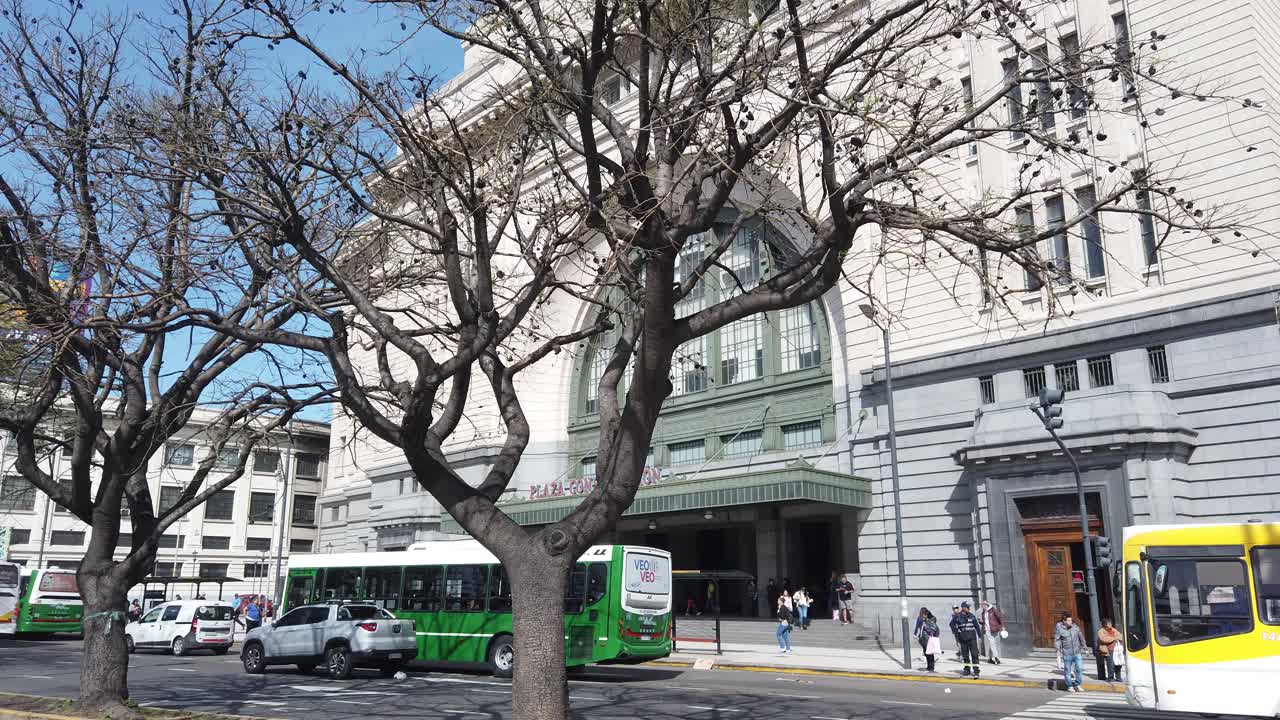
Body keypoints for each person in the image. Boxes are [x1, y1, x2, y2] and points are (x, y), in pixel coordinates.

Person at [1055, 612, 1087, 692]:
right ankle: (1069, 686)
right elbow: (1057, 640)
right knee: (1067, 670)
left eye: (1071, 620)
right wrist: (1058, 651)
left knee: (1079, 669)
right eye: (1069, 621)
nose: (1071, 622)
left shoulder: (1075, 627)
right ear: (1064, 621)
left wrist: (1085, 648)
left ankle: (1077, 684)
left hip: (1077, 652)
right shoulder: (1060, 629)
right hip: (1067, 653)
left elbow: (1081, 638)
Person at [950, 601, 981, 678]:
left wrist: (979, 636)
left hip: (972, 639)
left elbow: (976, 626)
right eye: (967, 607)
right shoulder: (957, 616)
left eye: (968, 607)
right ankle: (967, 670)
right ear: (963, 608)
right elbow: (951, 624)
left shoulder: (972, 616)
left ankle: (976, 671)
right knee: (965, 656)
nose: (968, 608)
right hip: (963, 639)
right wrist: (957, 633)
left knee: (974, 655)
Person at [914, 608, 941, 672]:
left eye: (923, 615)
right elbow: (918, 627)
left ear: (926, 614)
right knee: (926, 653)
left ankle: (931, 667)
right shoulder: (922, 619)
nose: (922, 616)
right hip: (923, 638)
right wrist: (916, 634)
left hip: (929, 639)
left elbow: (933, 630)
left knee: (930, 653)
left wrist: (925, 626)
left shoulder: (932, 620)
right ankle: (928, 666)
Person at [979, 599, 1005, 665]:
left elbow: (1000, 618)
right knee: (992, 642)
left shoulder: (993, 610)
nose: (983, 606)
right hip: (988, 630)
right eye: (982, 605)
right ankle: (996, 657)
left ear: (987, 604)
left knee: (992, 644)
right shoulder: (983, 613)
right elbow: (983, 622)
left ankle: (990, 659)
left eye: (984, 605)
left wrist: (1002, 626)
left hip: (995, 629)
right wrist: (981, 621)